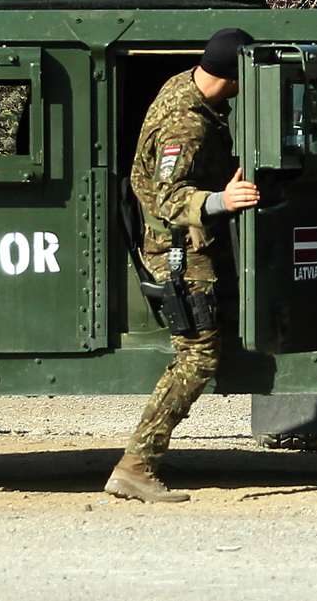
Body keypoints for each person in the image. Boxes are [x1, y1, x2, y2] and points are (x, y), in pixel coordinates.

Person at [106, 28, 262, 503]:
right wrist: (223, 199)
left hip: (190, 241)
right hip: (177, 248)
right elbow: (171, 197)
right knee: (198, 357)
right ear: (232, 77)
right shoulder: (187, 123)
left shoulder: (187, 86)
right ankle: (136, 465)